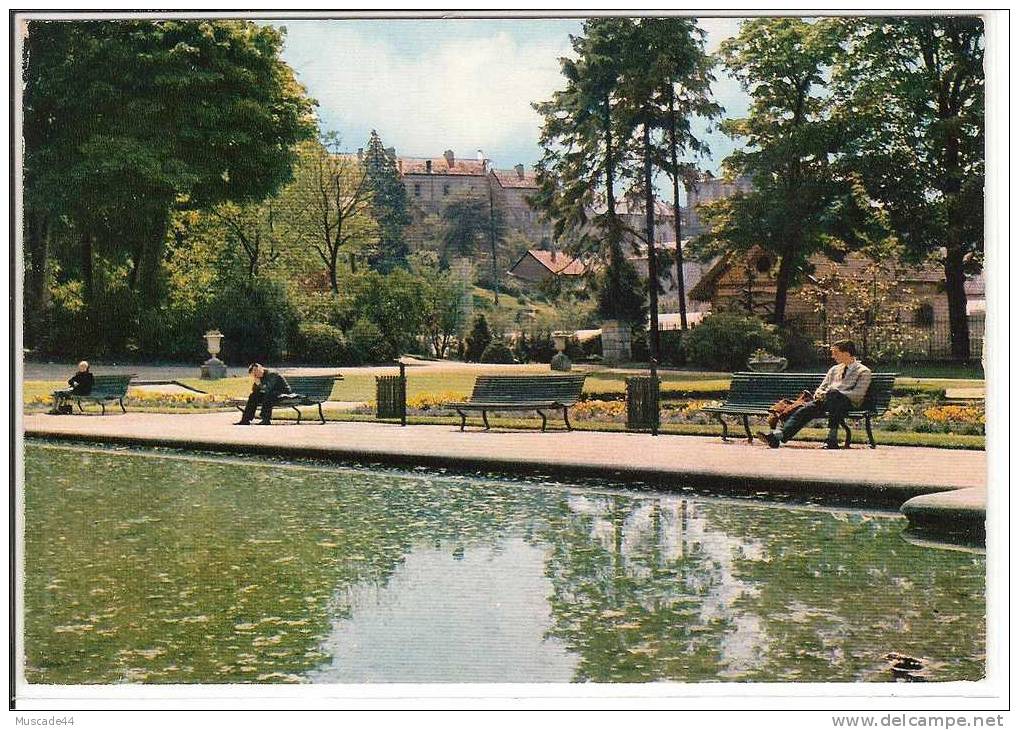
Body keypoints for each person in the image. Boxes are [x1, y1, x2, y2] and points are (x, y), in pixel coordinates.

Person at [757, 340, 872, 450]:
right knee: (806, 409)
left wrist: (832, 394)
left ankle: (831, 438)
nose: (833, 356)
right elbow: (820, 389)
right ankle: (778, 436)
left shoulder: (863, 371)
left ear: (846, 353)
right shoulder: (834, 370)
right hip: (828, 401)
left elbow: (858, 394)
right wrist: (823, 394)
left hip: (849, 403)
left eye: (835, 353)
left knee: (833, 395)